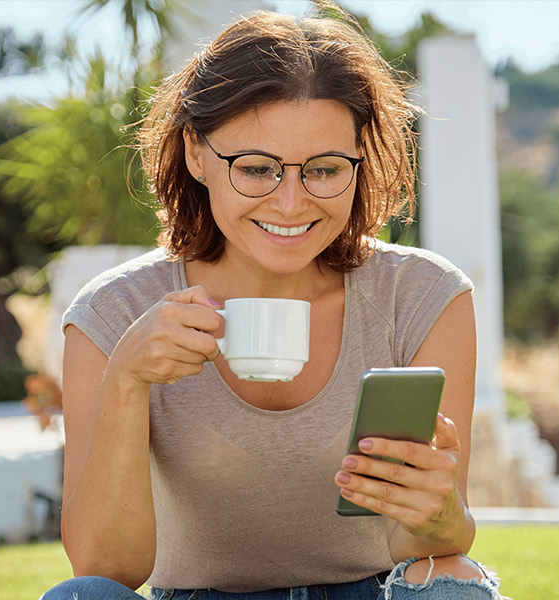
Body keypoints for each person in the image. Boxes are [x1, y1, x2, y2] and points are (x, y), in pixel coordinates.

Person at [43, 3, 502, 599]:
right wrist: (127, 380)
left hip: (371, 589)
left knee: (454, 581)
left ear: (360, 160)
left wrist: (441, 517)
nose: (291, 204)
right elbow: (106, 570)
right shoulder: (115, 312)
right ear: (196, 153)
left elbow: (421, 550)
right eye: (257, 168)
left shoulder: (420, 296)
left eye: (325, 169)